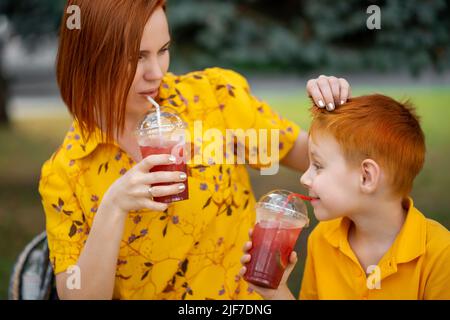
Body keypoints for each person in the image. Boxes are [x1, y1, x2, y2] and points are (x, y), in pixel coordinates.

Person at [39, 0, 351, 300]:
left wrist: (333, 111)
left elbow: (310, 155)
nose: (157, 73)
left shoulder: (213, 99)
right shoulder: (67, 171)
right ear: (89, 57)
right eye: (136, 57)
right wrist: (113, 206)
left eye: (163, 51)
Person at [240, 94, 450, 300]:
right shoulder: (322, 239)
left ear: (366, 177)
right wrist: (278, 293)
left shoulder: (440, 254)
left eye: (318, 166)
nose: (304, 178)